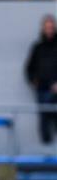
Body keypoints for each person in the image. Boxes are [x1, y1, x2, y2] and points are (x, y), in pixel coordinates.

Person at [25, 15, 57, 145]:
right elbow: (29, 68)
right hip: (42, 89)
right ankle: (46, 155)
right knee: (44, 118)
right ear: (43, 29)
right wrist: (33, 80)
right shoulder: (37, 47)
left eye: (51, 27)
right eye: (47, 27)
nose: (49, 30)